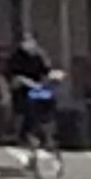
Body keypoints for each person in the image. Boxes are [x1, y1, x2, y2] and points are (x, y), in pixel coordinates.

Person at [9, 34, 62, 169]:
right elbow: (15, 79)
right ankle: (31, 145)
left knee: (46, 107)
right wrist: (28, 83)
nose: (29, 45)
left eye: (31, 42)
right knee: (25, 125)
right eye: (25, 42)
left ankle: (47, 138)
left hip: (37, 92)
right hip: (22, 94)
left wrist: (55, 75)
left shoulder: (40, 55)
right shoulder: (16, 58)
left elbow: (48, 71)